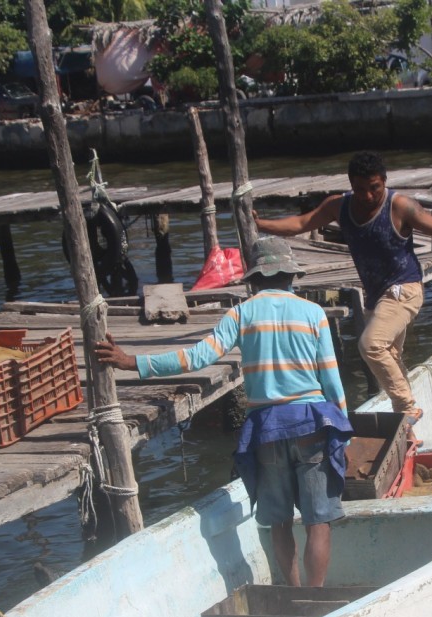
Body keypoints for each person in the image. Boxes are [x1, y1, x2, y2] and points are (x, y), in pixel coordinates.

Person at [94, 237, 352, 588]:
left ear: (255, 278)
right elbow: (332, 382)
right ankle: (314, 596)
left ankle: (292, 592)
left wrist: (133, 363)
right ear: (291, 275)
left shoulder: (241, 314)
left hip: (267, 429)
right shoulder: (314, 313)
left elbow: (197, 357)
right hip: (311, 423)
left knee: (280, 522)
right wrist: (343, 434)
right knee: (317, 522)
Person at [254, 150, 432, 422]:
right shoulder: (338, 206)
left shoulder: (400, 206)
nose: (367, 195)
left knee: (371, 345)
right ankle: (410, 426)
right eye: (359, 189)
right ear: (351, 185)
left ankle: (406, 408)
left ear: (384, 181)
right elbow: (300, 223)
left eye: (374, 188)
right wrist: (259, 224)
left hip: (404, 289)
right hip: (376, 296)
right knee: (391, 357)